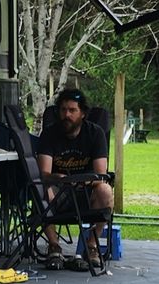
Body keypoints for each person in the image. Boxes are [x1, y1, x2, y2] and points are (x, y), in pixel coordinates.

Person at [36, 88, 113, 271]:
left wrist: (78, 181)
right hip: (58, 192)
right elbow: (44, 173)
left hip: (86, 192)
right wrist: (58, 179)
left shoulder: (95, 133)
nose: (67, 115)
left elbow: (100, 174)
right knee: (39, 189)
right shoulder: (49, 134)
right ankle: (54, 246)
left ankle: (92, 246)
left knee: (105, 190)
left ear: (83, 113)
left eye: (72, 110)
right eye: (63, 110)